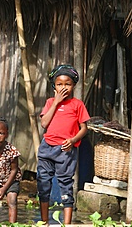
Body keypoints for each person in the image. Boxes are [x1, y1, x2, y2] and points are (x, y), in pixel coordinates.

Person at [37, 64, 90, 225]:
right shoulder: (50, 102)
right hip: (47, 148)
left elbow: (84, 129)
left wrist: (73, 140)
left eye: (67, 84)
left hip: (66, 150)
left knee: (66, 184)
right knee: (43, 184)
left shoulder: (77, 105)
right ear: (54, 86)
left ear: (73, 85)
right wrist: (56, 102)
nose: (63, 87)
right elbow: (44, 123)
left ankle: (67, 224)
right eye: (59, 84)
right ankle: (45, 222)